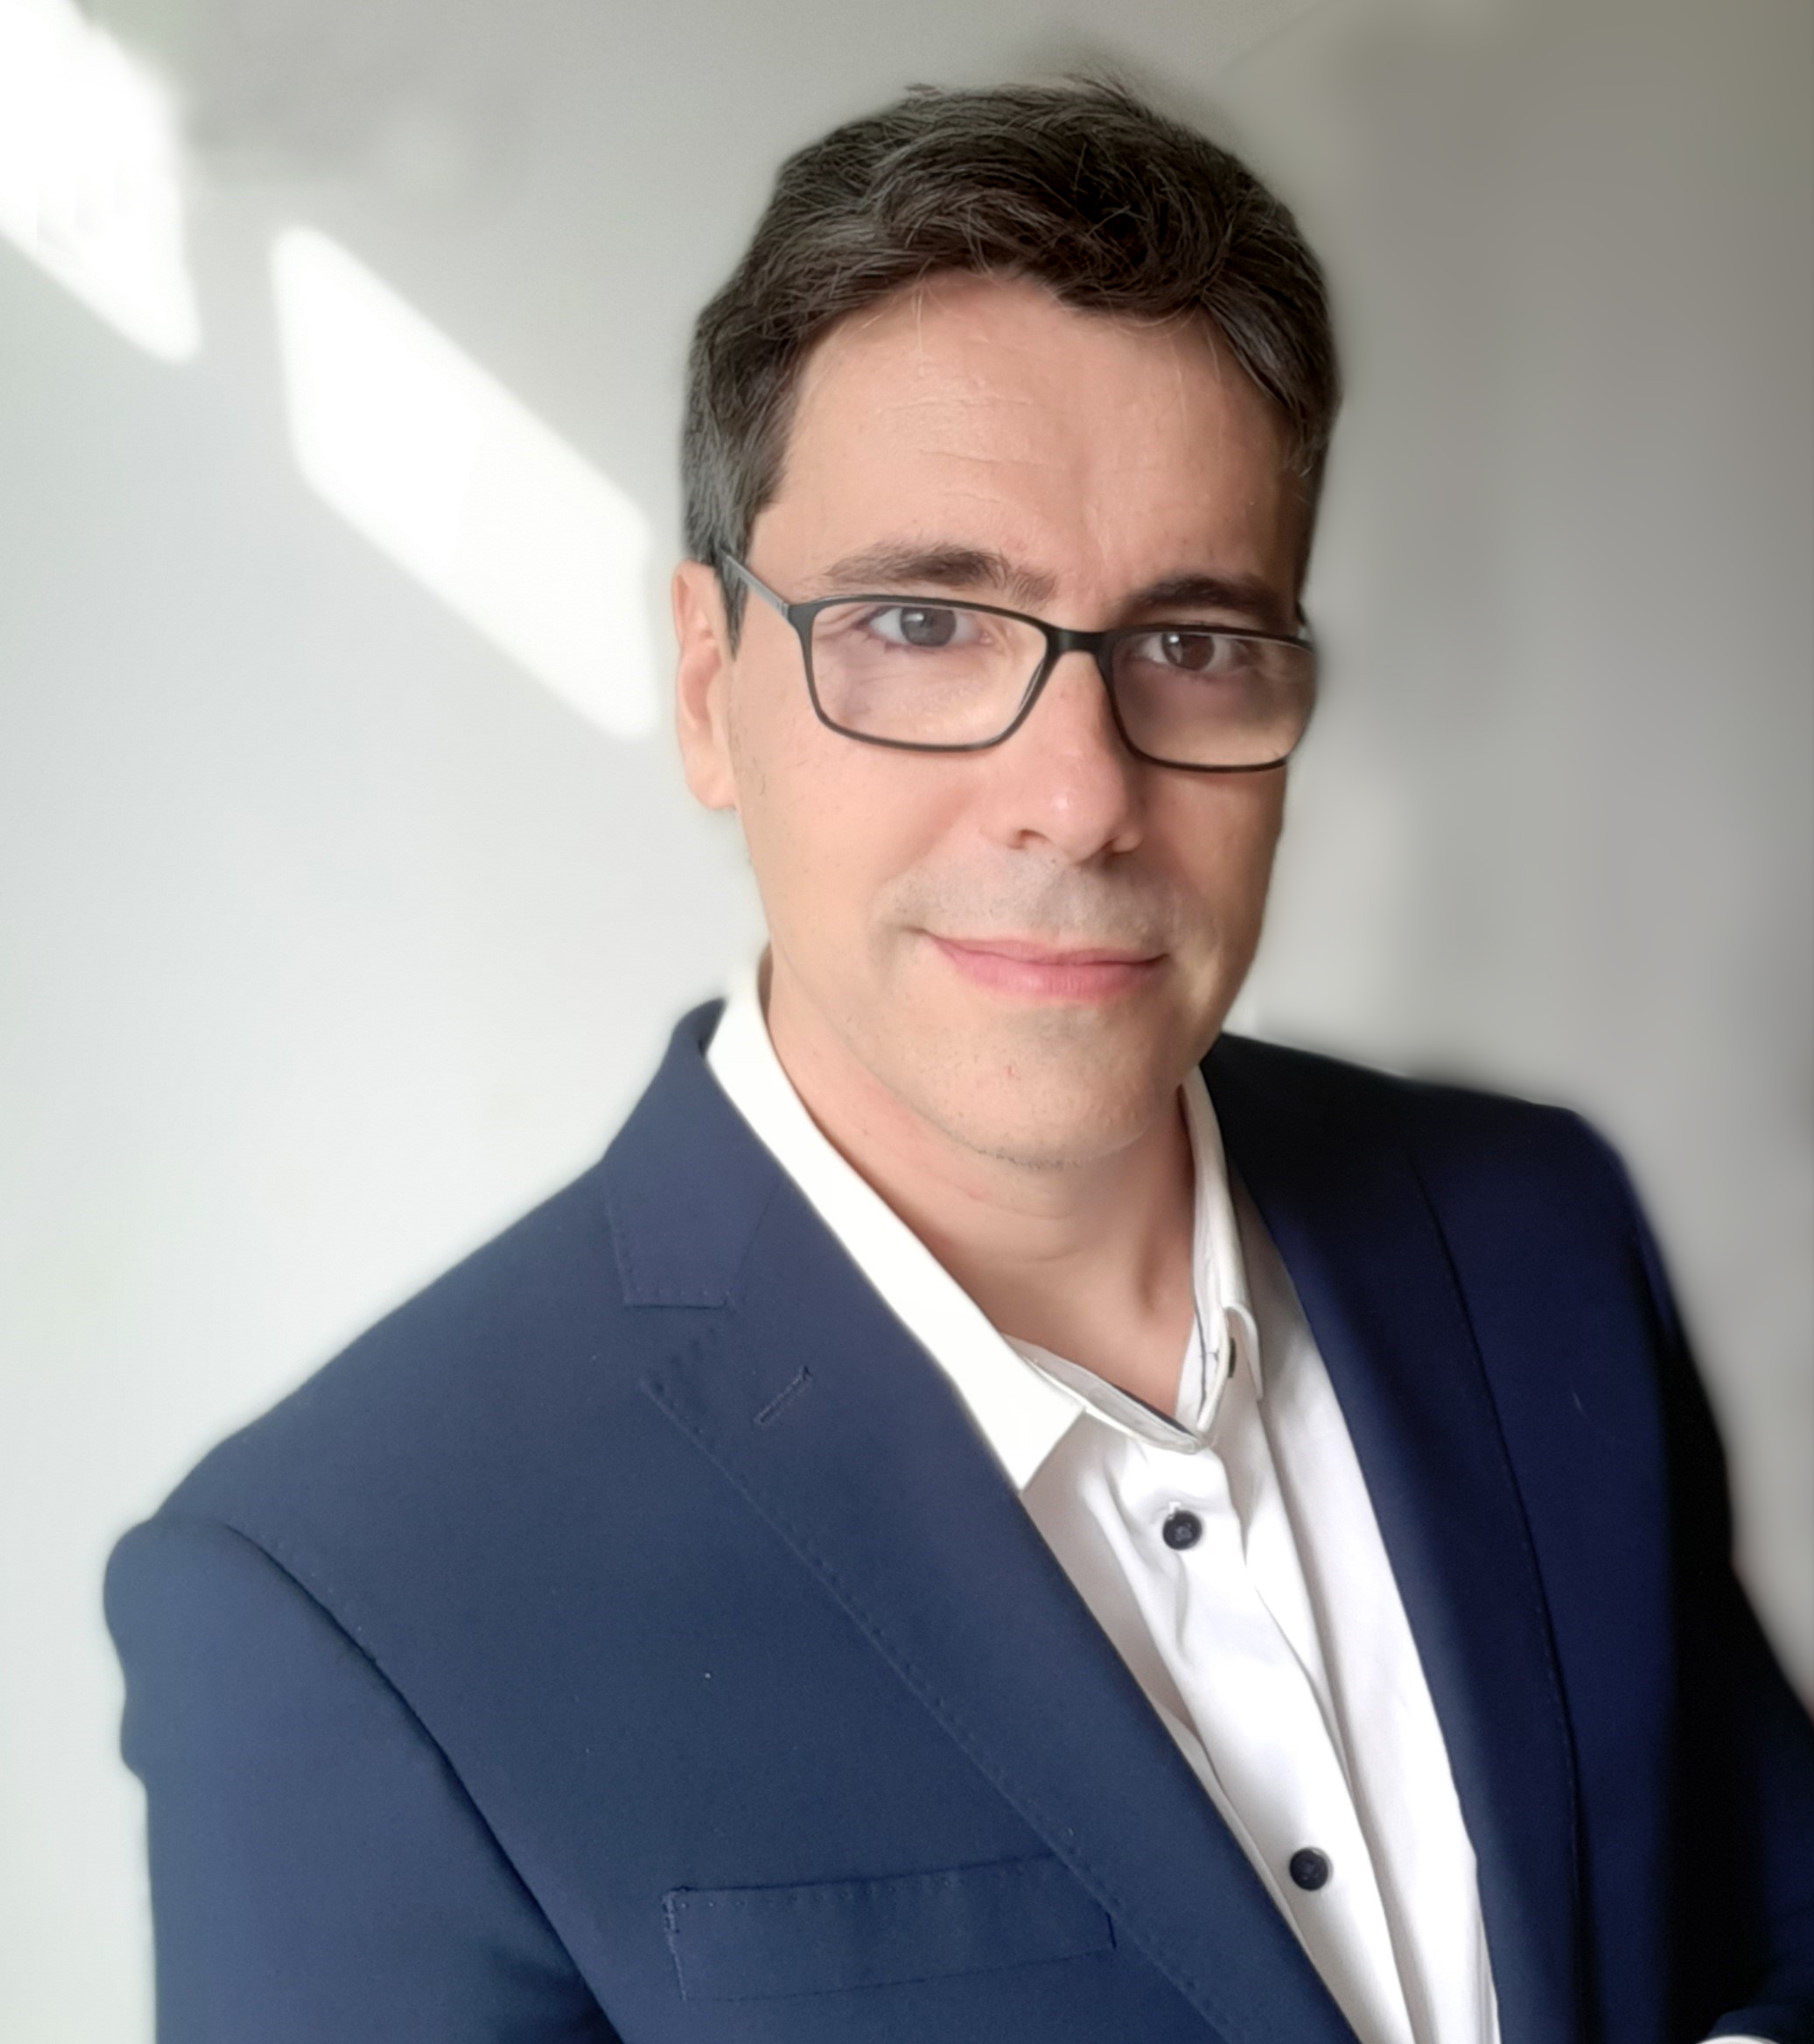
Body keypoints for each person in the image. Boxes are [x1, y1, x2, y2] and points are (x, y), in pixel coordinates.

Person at [105, 79, 1813, 2044]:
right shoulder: (338, 1595)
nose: (1076, 797)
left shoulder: (1533, 1233)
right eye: (922, 622)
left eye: (1192, 641)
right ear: (706, 688)